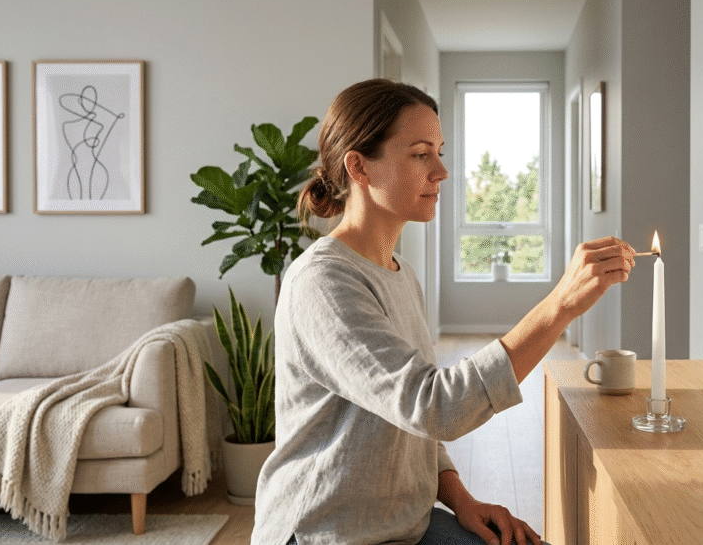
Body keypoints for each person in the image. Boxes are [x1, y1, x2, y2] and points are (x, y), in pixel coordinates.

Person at [251, 78, 636, 545]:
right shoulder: (323, 283)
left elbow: (410, 422)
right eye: (419, 154)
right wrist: (559, 305)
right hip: (326, 532)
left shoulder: (400, 275)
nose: (441, 171)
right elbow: (436, 406)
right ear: (359, 167)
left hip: (403, 523)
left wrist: (462, 500)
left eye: (440, 150)